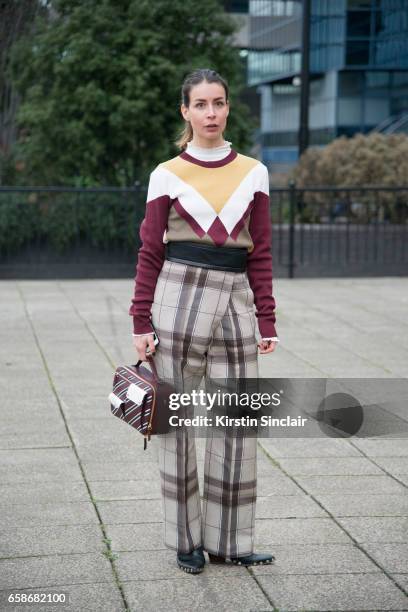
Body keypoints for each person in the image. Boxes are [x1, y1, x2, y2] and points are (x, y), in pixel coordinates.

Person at [129, 68, 279, 574]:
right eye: (201, 104)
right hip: (178, 295)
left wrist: (267, 318)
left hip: (236, 298)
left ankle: (230, 542)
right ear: (186, 112)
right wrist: (139, 320)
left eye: (219, 103)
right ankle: (185, 541)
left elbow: (261, 252)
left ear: (228, 107)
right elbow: (150, 251)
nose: (211, 113)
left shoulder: (255, 171)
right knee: (176, 423)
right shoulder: (166, 173)